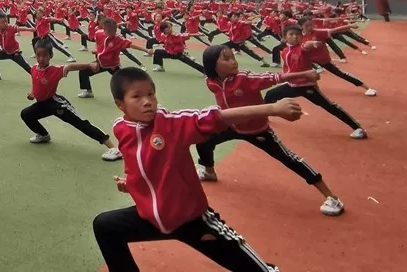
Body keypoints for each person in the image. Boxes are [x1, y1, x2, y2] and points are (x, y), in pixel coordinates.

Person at [92, 67, 298, 271]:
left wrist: (272, 108)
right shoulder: (122, 128)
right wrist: (131, 184)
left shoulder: (171, 125)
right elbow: (140, 164)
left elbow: (218, 117)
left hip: (191, 221)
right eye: (136, 96)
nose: (147, 101)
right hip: (151, 219)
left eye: (150, 94)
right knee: (105, 226)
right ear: (120, 105)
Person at [197, 44, 345, 216]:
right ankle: (209, 171)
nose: (233, 62)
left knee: (289, 159)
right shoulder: (211, 82)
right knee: (203, 140)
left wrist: (304, 74)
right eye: (226, 58)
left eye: (233, 57)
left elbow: (277, 77)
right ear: (212, 65)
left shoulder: (245, 79)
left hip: (257, 130)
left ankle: (331, 197)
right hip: (231, 126)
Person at [22, 38, 122, 160]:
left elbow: (70, 67)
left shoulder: (55, 70)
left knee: (80, 123)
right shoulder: (34, 69)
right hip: (41, 105)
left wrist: (89, 65)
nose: (41, 58)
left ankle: (113, 148)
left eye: (45, 55)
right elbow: (36, 84)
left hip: (56, 104)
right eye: (38, 55)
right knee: (26, 114)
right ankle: (43, 135)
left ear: (51, 55)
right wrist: (32, 93)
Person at [264, 25, 367, 139]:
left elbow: (306, 46)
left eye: (298, 35)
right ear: (284, 38)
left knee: (329, 106)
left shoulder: (302, 48)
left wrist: (312, 44)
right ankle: (263, 117)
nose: (295, 37)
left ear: (302, 37)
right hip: (292, 85)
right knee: (270, 95)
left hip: (306, 86)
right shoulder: (284, 51)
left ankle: (358, 128)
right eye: (291, 34)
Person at [77, 17, 152, 98]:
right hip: (100, 63)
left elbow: (131, 45)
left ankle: (140, 95)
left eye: (115, 30)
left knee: (125, 82)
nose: (113, 32)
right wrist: (97, 51)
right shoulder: (98, 33)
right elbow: (99, 44)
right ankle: (88, 92)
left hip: (113, 65)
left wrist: (146, 50)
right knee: (83, 72)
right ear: (104, 29)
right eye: (110, 31)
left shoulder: (118, 39)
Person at [0, 12, 34, 80]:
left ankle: (38, 77)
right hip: (5, 52)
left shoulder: (10, 28)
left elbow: (20, 28)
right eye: (3, 22)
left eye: (6, 21)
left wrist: (30, 29)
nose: (5, 23)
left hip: (15, 53)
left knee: (27, 67)